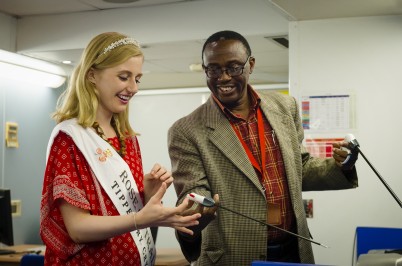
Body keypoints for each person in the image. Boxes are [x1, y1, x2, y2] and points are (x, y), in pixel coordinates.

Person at [167, 30, 358, 265]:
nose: (223, 77)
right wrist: (195, 211)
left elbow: (300, 167)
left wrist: (341, 167)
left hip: (293, 248)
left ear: (251, 65)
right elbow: (193, 192)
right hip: (233, 254)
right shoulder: (187, 130)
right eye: (213, 69)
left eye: (234, 67)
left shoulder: (285, 106)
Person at [40, 32, 201, 266]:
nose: (133, 88)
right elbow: (77, 229)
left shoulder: (127, 138)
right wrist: (140, 218)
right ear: (92, 75)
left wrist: (146, 194)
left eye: (137, 79)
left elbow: (123, 212)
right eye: (124, 77)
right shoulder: (70, 139)